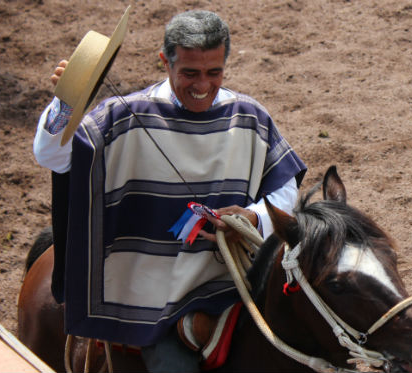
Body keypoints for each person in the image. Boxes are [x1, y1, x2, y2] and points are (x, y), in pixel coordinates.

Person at [33, 10, 306, 372]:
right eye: (190, 73)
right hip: (152, 290)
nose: (203, 86)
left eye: (214, 73)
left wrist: (253, 216)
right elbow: (51, 154)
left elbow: (284, 187)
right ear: (165, 61)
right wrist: (66, 102)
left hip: (231, 280)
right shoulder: (121, 115)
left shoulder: (250, 115)